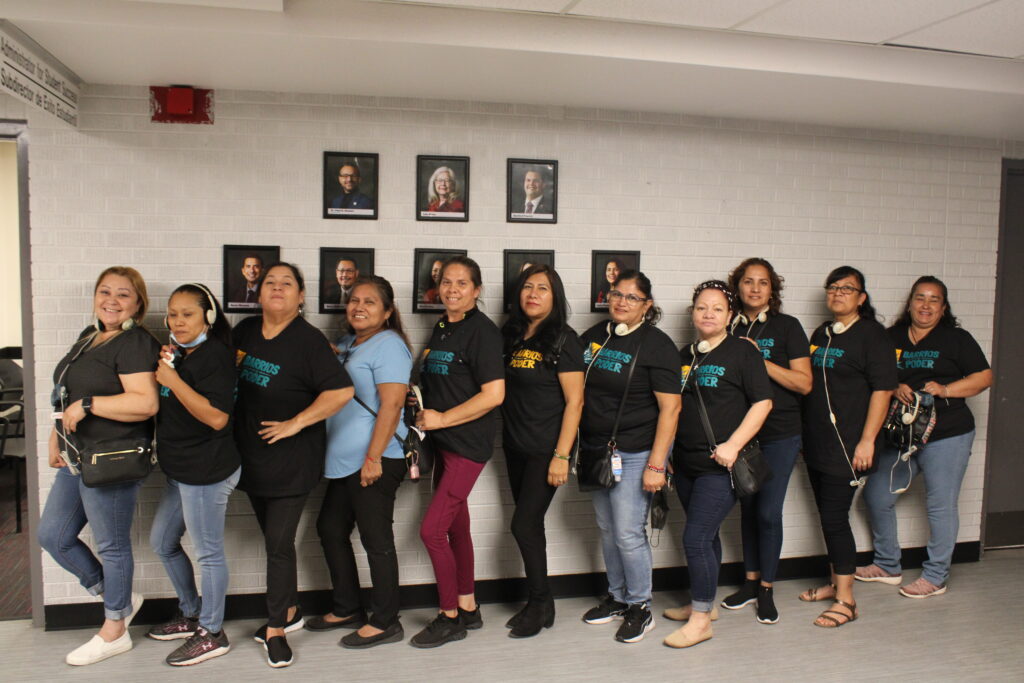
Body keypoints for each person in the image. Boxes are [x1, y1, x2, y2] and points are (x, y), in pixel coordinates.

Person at [232, 262, 354, 667]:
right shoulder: (245, 332)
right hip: (252, 459)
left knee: (278, 545)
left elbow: (342, 391)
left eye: (287, 283)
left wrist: (295, 423)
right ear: (259, 292)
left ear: (301, 297)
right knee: (273, 538)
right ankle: (289, 609)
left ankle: (276, 630)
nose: (277, 288)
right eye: (270, 282)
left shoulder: (309, 341)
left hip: (293, 463)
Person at [37, 266, 159, 665]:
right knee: (53, 536)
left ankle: (115, 630)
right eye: (105, 291)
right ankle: (117, 597)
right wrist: (57, 434)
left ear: (138, 303)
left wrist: (88, 406)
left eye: (123, 294)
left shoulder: (135, 342)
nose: (111, 300)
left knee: (112, 545)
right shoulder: (89, 337)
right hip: (76, 456)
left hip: (111, 459)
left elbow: (146, 403)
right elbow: (66, 393)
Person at [857, 276, 992, 598]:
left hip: (948, 434)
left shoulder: (956, 338)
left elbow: (984, 377)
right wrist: (894, 385)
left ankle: (935, 576)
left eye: (934, 300)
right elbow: (874, 377)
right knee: (876, 496)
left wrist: (946, 389)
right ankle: (888, 564)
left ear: (943, 308)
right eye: (920, 298)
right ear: (910, 302)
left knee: (940, 506)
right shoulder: (890, 337)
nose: (926, 305)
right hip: (902, 435)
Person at [662, 280, 772, 648]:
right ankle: (706, 605)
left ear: (731, 316)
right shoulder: (685, 354)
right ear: (693, 313)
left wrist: (733, 445)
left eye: (717, 308)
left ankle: (700, 620)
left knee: (694, 537)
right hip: (687, 463)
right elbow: (674, 409)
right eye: (701, 308)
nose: (708, 314)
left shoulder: (743, 352)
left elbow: (763, 404)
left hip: (722, 465)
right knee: (704, 538)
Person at [579, 270, 681, 644]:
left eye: (632, 297)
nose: (621, 302)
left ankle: (641, 606)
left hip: (637, 452)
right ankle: (618, 597)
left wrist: (657, 463)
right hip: (597, 450)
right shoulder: (594, 338)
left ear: (647, 306)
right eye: (616, 294)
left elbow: (671, 410)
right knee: (607, 530)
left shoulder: (658, 346)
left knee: (627, 532)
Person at [311, 275, 412, 649]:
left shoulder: (390, 346)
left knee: (376, 539)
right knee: (330, 528)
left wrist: (373, 458)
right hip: (345, 459)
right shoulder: (351, 343)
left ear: (387, 312)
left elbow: (392, 404)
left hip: (376, 458)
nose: (359, 307)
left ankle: (386, 620)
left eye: (370, 302)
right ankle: (348, 607)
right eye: (354, 300)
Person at [411, 256, 505, 648]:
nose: (452, 289)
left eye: (462, 283)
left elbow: (494, 395)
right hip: (444, 444)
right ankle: (468, 605)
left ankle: (449, 616)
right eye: (446, 283)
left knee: (431, 531)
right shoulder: (444, 327)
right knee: (455, 527)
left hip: (468, 445)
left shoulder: (483, 332)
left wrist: (442, 419)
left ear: (477, 290)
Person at [800, 266, 897, 627]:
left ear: (862, 298)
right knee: (827, 517)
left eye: (848, 288)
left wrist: (868, 440)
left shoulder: (873, 336)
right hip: (817, 443)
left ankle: (847, 600)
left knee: (834, 518)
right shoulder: (822, 334)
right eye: (833, 287)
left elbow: (883, 390)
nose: (838, 293)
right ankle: (834, 582)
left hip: (850, 445)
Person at [148, 283, 239, 666]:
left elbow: (217, 417)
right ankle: (191, 612)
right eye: (173, 313)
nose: (178, 320)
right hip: (180, 470)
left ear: (208, 317)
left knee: (209, 554)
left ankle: (213, 632)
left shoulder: (215, 356)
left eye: (188, 313)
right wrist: (172, 368)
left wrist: (172, 381)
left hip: (206, 472)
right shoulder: (183, 354)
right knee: (162, 542)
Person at [719, 258, 811, 624]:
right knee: (748, 509)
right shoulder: (726, 324)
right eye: (747, 282)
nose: (755, 288)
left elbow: (804, 384)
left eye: (763, 283)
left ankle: (768, 589)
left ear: (773, 290)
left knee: (769, 512)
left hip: (780, 434)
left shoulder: (787, 327)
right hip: (741, 434)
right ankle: (750, 582)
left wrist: (760, 360)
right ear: (737, 287)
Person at [500, 264, 584, 638]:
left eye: (543, 288)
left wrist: (562, 455)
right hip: (515, 446)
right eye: (528, 287)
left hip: (545, 450)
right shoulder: (511, 335)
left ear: (556, 297)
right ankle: (541, 602)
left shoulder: (565, 339)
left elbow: (576, 402)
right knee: (530, 526)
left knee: (522, 524)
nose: (533, 293)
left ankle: (540, 601)